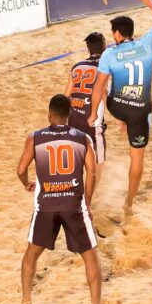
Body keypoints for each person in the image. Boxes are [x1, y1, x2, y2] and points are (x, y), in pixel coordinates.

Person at [88, 0, 152, 215]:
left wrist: (94, 114)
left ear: (116, 34)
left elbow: (98, 87)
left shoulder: (108, 54)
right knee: (137, 162)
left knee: (105, 84)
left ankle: (119, 122)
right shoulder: (147, 43)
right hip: (139, 112)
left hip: (117, 107)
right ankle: (129, 203)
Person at [16, 94, 101, 304]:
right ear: (69, 116)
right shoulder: (82, 139)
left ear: (49, 115)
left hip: (46, 205)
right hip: (73, 204)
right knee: (90, 255)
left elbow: (21, 170)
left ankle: (26, 300)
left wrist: (27, 184)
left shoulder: (35, 138)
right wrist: (87, 203)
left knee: (31, 254)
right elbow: (91, 172)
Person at [64, 32, 107, 190]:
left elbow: (65, 95)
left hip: (73, 119)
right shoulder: (104, 68)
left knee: (77, 160)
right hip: (92, 122)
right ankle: (89, 199)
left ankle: (77, 193)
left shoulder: (77, 67)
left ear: (88, 49)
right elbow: (104, 95)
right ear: (105, 46)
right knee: (97, 163)